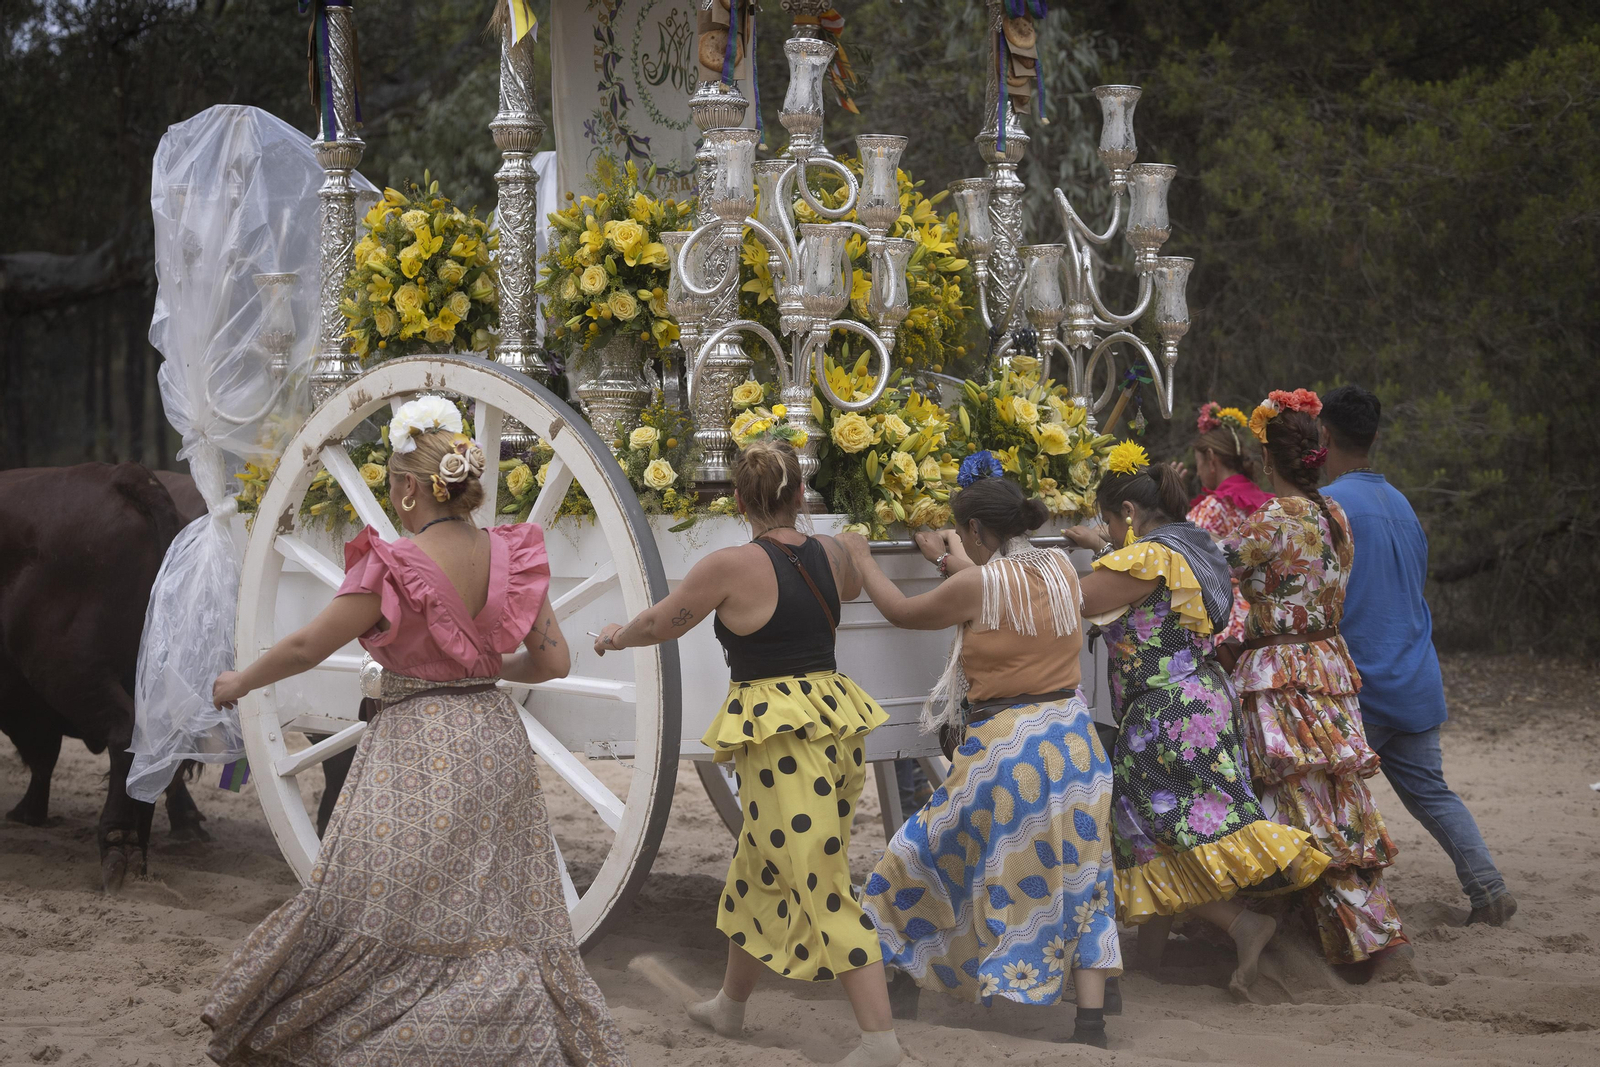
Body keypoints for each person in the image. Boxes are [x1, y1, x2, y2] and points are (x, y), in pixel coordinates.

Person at [202, 397, 628, 1066]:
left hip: (416, 744)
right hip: (493, 741)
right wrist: (484, 661)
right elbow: (553, 661)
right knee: (497, 908)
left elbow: (311, 643)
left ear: (406, 488)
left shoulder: (391, 565)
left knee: (378, 898)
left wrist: (241, 681)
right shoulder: (514, 554)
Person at [592, 439, 900, 1067]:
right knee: (758, 866)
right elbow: (850, 593)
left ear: (738, 499)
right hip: (834, 720)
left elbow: (663, 624)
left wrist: (616, 637)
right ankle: (730, 1006)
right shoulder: (832, 555)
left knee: (821, 881)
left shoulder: (730, 565)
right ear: (799, 495)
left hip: (781, 735)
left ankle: (881, 1043)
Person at [840, 464, 1122, 1049]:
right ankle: (1091, 1024)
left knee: (914, 858)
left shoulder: (979, 585)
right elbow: (995, 583)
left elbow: (902, 611)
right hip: (1075, 744)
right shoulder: (1063, 569)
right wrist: (952, 558)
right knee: (1084, 876)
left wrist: (861, 557)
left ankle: (904, 980)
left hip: (1010, 751)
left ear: (974, 528)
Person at [1062, 443, 1329, 999]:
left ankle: (1243, 925)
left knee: (1148, 829)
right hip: (1201, 698)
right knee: (1163, 828)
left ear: (1129, 516)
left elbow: (1072, 602)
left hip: (1163, 713)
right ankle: (1151, 957)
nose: (1106, 533)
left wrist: (990, 573)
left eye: (1108, 522)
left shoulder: (1144, 559)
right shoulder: (1190, 546)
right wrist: (1099, 544)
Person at [1223, 388, 1410, 970]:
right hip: (1328, 663)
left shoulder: (1272, 519)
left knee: (1287, 796)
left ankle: (1286, 932)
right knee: (1333, 794)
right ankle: (1360, 927)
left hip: (1279, 668)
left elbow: (1214, 567)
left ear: (1267, 461)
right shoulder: (1335, 515)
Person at [1320, 385, 1515, 925]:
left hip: (1361, 683)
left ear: (1324, 435)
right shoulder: (1402, 505)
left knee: (1321, 798)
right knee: (1432, 794)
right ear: (1375, 437)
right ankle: (1488, 888)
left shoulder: (1331, 506)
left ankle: (1337, 910)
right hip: (1415, 676)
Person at [1186, 401, 1273, 647]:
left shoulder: (1212, 507)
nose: (1199, 473)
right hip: (1264, 617)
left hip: (1226, 619)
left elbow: (1177, 548)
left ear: (1211, 459)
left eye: (1199, 464)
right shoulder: (1268, 504)